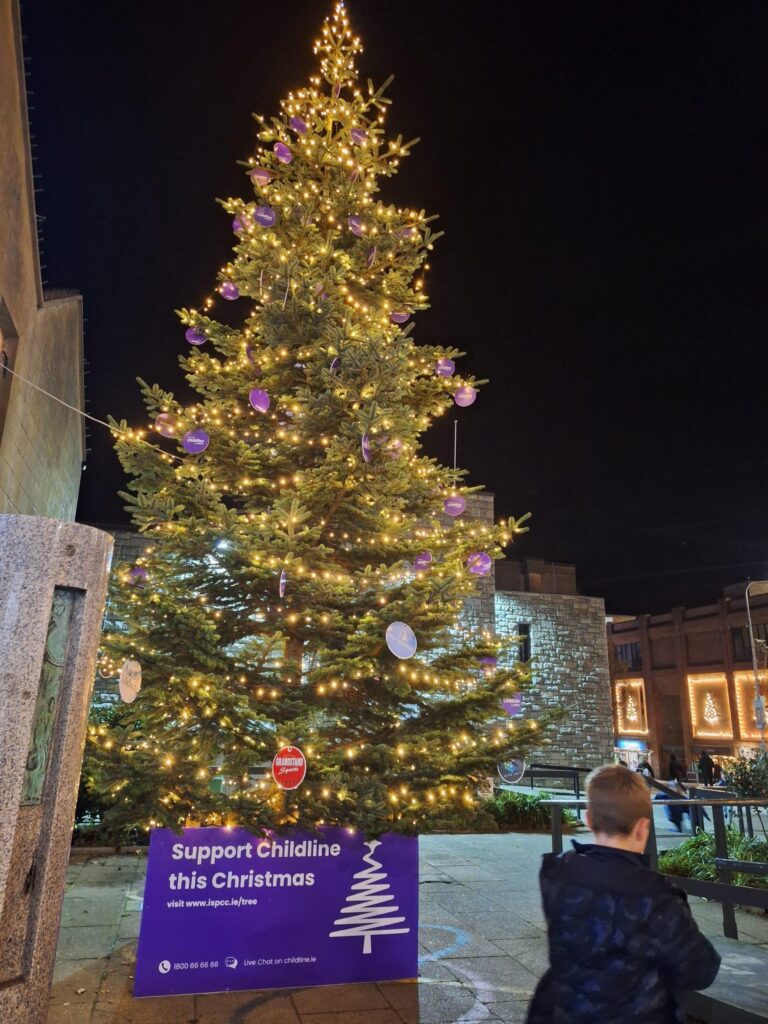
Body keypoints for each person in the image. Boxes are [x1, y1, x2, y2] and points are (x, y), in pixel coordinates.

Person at [525, 764, 720, 1024]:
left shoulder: (557, 873)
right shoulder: (655, 897)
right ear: (642, 828)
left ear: (589, 820)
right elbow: (700, 969)